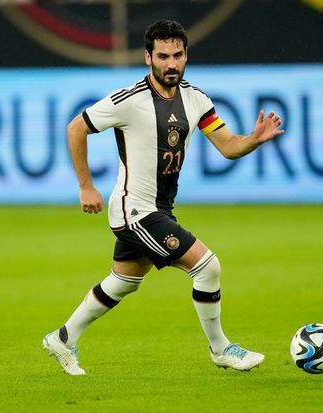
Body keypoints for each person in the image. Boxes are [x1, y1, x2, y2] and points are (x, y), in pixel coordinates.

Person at [42, 20, 284, 375]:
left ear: (186, 55)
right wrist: (85, 186)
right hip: (135, 212)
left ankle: (63, 338)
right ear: (148, 58)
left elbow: (228, 146)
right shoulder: (129, 100)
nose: (171, 63)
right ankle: (221, 349)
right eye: (163, 56)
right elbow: (76, 127)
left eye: (177, 55)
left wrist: (253, 139)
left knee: (124, 282)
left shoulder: (196, 99)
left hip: (160, 208)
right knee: (207, 266)